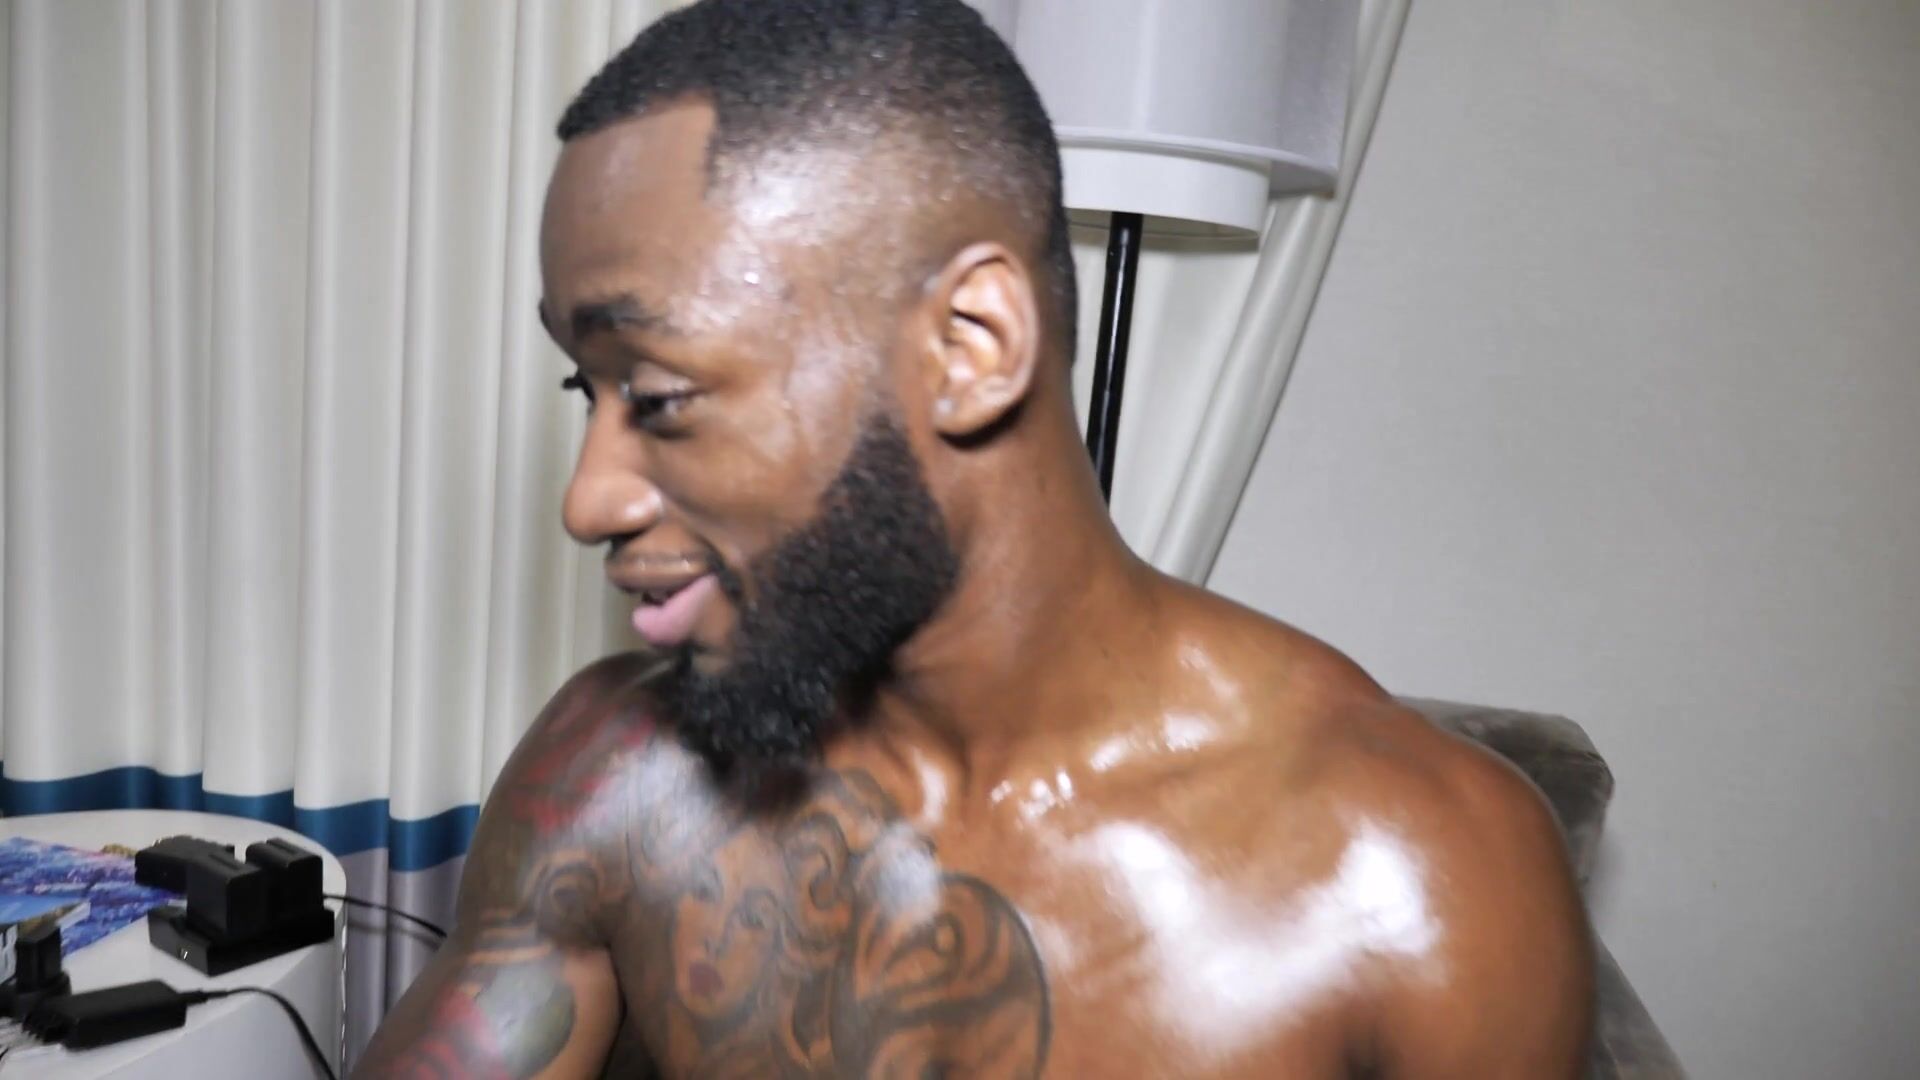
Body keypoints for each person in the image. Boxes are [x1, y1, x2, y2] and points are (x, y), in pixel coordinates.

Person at [355, 0, 1593, 1075]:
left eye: (661, 394)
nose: (587, 501)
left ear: (969, 348)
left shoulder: (1415, 878)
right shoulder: (616, 779)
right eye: (588, 390)